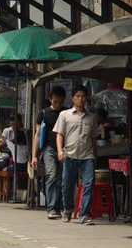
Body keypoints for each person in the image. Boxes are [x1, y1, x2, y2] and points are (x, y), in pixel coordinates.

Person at [55, 85, 97, 225]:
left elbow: (93, 138)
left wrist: (95, 156)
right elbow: (60, 135)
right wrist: (60, 151)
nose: (80, 99)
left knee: (89, 184)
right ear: (72, 98)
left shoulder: (91, 117)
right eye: (78, 96)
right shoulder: (64, 115)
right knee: (67, 185)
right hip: (70, 156)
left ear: (87, 98)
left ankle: (85, 215)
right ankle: (68, 210)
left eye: (83, 96)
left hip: (87, 156)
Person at [32, 86, 66, 220]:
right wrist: (34, 155)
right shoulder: (43, 114)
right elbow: (37, 134)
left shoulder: (66, 112)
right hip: (49, 149)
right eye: (55, 101)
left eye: (60, 102)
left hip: (65, 149)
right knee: (51, 176)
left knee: (62, 179)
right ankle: (52, 208)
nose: (57, 104)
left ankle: (60, 207)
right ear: (50, 99)